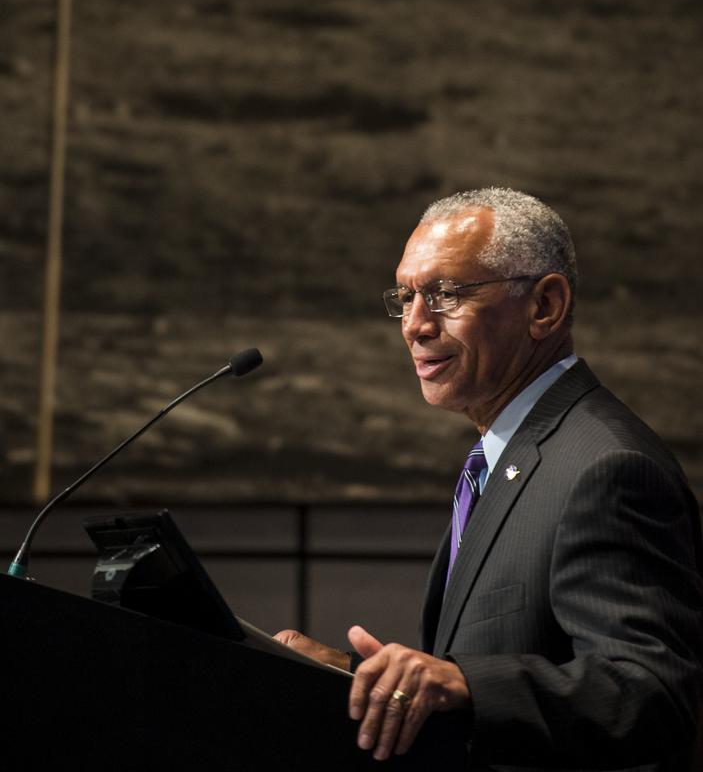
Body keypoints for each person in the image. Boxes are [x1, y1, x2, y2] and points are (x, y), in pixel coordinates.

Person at [275, 187, 703, 770]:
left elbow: (651, 696)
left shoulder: (607, 468)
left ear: (544, 306)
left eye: (446, 294)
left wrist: (465, 684)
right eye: (406, 298)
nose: (416, 326)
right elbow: (498, 662)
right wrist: (358, 679)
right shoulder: (508, 452)